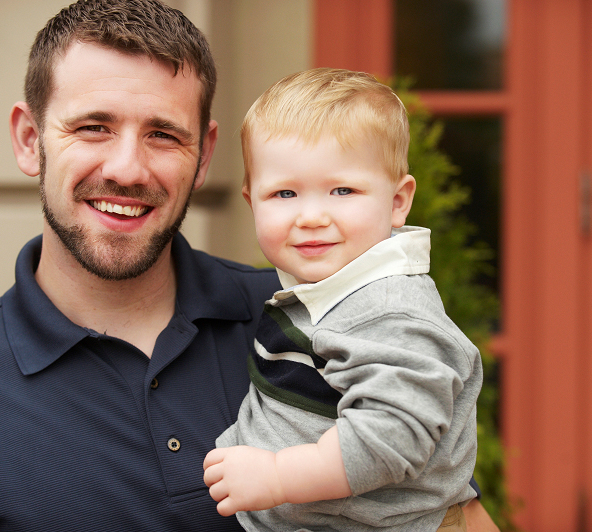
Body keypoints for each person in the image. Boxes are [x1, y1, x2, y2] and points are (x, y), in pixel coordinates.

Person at [0, 1, 499, 530]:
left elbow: (448, 511)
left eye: (162, 134)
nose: (127, 168)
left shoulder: (309, 315)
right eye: (93, 127)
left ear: (204, 156)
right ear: (30, 141)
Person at [203, 68, 482, 532]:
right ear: (253, 202)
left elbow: (391, 437)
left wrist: (276, 476)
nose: (311, 216)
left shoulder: (390, 309)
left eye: (343, 190)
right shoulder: (331, 290)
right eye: (285, 193)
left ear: (397, 201)